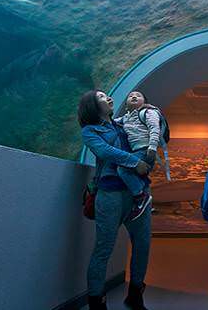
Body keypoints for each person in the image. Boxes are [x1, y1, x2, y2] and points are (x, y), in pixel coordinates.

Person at [79, 90, 152, 310]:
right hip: (109, 195)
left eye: (107, 95)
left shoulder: (122, 123)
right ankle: (96, 302)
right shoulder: (89, 131)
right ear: (91, 106)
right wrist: (134, 162)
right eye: (102, 97)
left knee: (143, 246)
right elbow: (104, 151)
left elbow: (145, 129)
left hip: (138, 194)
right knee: (104, 249)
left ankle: (135, 295)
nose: (109, 98)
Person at [116, 90, 162, 221]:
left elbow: (155, 129)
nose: (134, 96)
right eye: (130, 96)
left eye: (138, 95)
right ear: (126, 104)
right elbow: (111, 122)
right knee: (134, 174)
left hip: (145, 150)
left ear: (145, 102)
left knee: (123, 169)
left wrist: (152, 148)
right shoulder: (125, 118)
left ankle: (141, 196)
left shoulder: (148, 112)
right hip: (137, 151)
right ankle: (142, 203)